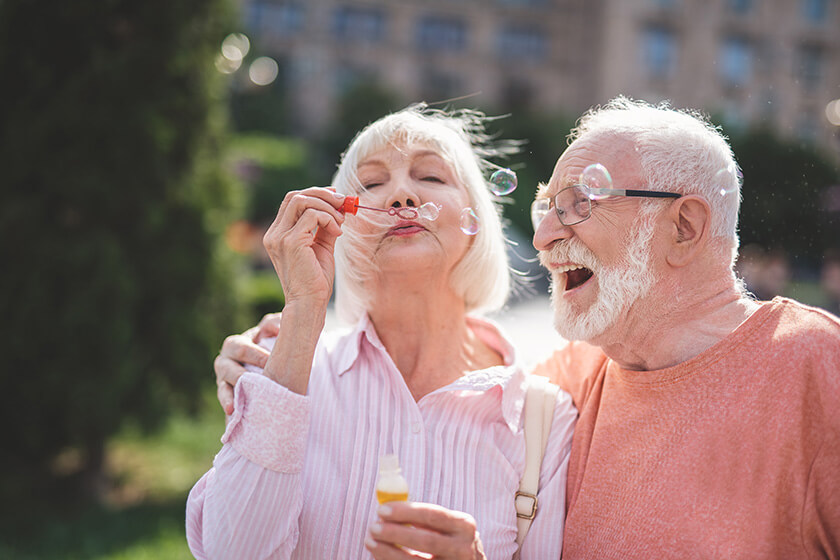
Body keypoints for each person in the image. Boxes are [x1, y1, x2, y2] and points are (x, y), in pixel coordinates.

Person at [187, 105, 577, 560]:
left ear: (476, 221)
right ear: (342, 227)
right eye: (371, 184)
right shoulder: (280, 367)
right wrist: (303, 308)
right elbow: (233, 552)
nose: (401, 195)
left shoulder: (543, 419)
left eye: (430, 177)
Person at [530, 97, 840, 559]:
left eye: (579, 203)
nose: (543, 236)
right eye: (547, 208)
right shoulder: (565, 382)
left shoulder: (817, 369)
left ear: (684, 227)